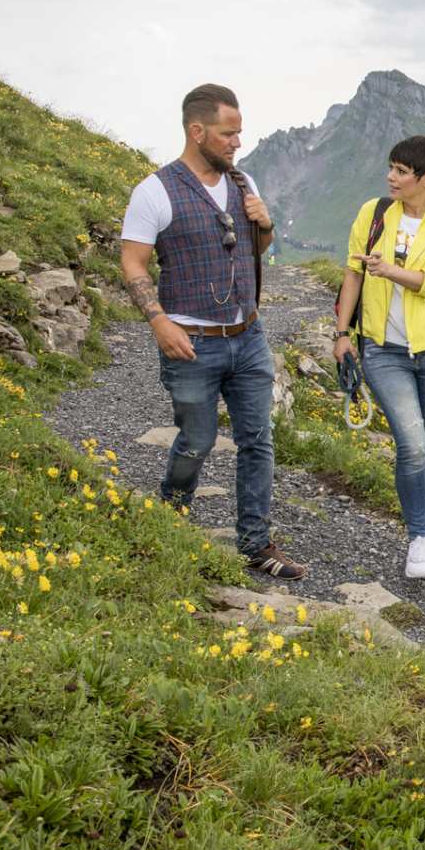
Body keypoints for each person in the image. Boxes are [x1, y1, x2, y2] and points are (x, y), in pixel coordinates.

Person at [120, 83, 305, 579]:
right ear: (196, 131)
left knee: (257, 439)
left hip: (248, 336)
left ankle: (256, 543)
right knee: (197, 440)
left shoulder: (245, 184)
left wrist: (264, 227)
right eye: (228, 133)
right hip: (191, 343)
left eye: (239, 133)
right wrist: (158, 321)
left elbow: (252, 253)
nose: (236, 143)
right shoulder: (154, 191)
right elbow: (133, 262)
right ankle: (171, 515)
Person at [331, 135, 425, 578]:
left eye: (400, 171)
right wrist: (342, 334)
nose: (390, 178)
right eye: (390, 168)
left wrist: (390, 270)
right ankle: (418, 537)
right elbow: (352, 274)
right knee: (412, 445)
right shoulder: (374, 214)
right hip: (382, 349)